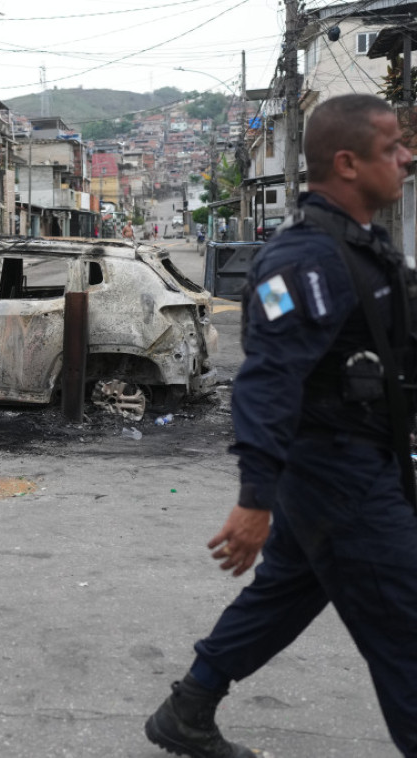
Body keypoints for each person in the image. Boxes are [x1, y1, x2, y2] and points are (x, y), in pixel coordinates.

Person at [144, 94, 417, 757]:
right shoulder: (303, 262)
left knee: (289, 590)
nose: (407, 157)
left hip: (351, 465)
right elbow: (268, 380)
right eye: (392, 148)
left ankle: (190, 708)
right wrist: (253, 500)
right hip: (339, 475)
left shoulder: (364, 246)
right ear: (348, 164)